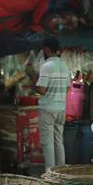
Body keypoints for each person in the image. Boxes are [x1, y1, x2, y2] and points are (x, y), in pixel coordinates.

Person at [32, 36, 70, 169]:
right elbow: (67, 89)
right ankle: (61, 171)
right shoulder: (64, 66)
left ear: (46, 49)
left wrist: (33, 80)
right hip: (61, 108)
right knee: (58, 141)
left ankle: (49, 174)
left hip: (48, 109)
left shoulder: (46, 66)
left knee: (47, 143)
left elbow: (42, 90)